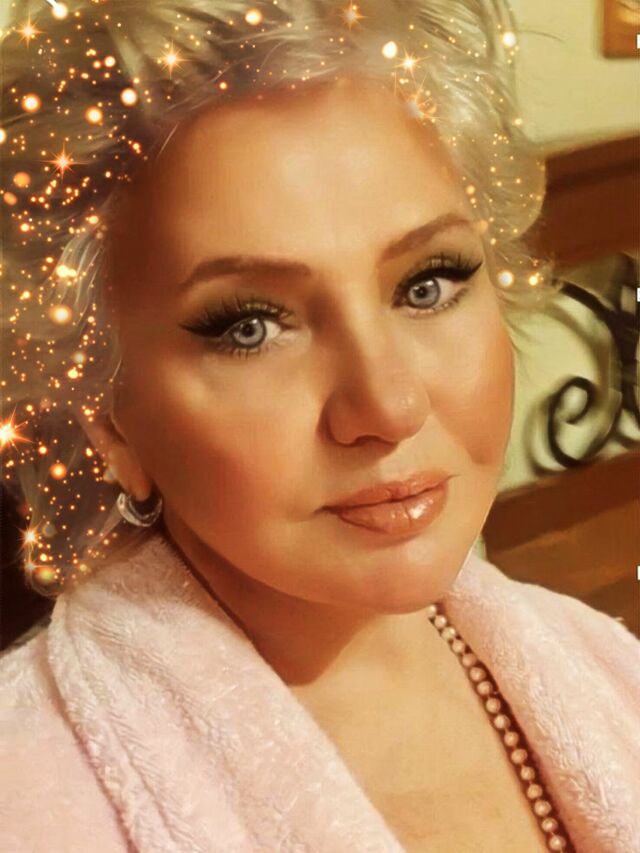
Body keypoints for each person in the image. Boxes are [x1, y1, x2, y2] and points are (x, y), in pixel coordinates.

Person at [1, 2, 638, 851]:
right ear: (106, 415)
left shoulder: (607, 671)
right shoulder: (30, 799)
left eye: (428, 284)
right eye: (249, 327)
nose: (389, 406)